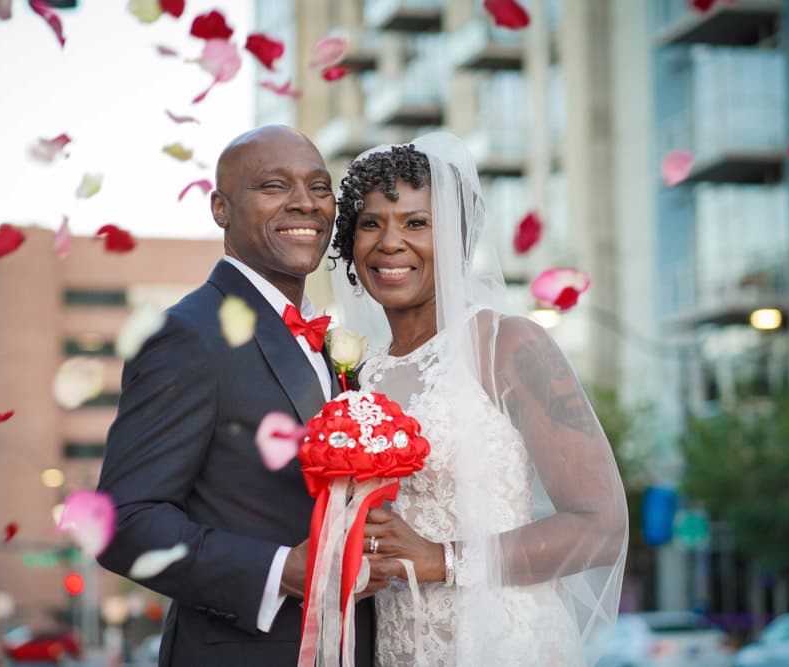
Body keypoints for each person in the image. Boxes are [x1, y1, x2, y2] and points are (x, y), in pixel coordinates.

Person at [329, 132, 628, 666]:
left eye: (416, 223)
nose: (389, 242)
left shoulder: (508, 343)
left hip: (502, 642)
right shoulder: (357, 374)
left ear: (455, 238)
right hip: (398, 646)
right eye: (370, 223)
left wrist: (441, 558)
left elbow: (600, 525)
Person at [96, 125, 384, 666]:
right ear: (220, 209)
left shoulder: (328, 345)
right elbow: (122, 521)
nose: (305, 203)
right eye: (274, 186)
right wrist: (279, 571)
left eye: (319, 187)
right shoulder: (187, 335)